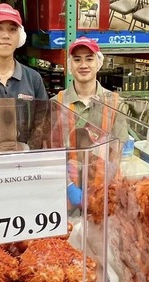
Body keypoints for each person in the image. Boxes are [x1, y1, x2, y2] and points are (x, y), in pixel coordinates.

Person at [53, 37, 129, 210]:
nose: (83, 65)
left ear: (99, 62)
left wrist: (105, 181)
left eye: (89, 58)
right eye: (77, 59)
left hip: (104, 196)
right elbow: (49, 152)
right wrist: (68, 186)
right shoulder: (55, 103)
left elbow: (118, 151)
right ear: (70, 65)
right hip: (65, 198)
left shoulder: (115, 103)